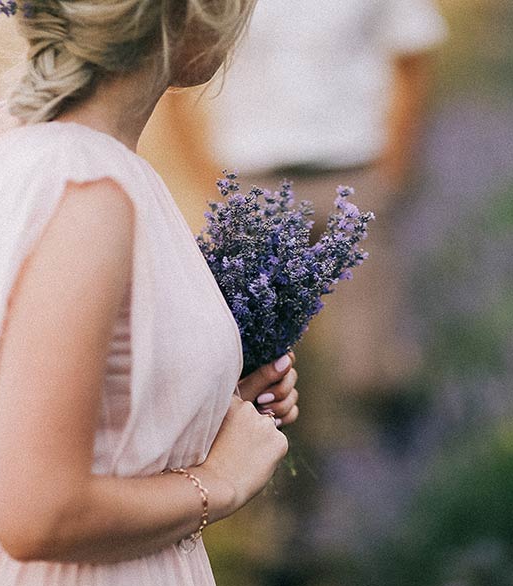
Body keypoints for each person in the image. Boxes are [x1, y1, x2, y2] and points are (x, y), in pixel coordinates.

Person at [0, 1, 300, 586]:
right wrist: (220, 480)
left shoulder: (2, 143)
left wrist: (203, 404)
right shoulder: (88, 190)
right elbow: (39, 512)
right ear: (188, 12)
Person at [165, 0, 447, 442]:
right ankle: (289, 485)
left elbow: (411, 52)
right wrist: (208, 177)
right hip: (251, 179)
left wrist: (394, 164)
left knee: (366, 366)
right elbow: (174, 70)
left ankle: (368, 474)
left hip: (353, 171)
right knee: (254, 370)